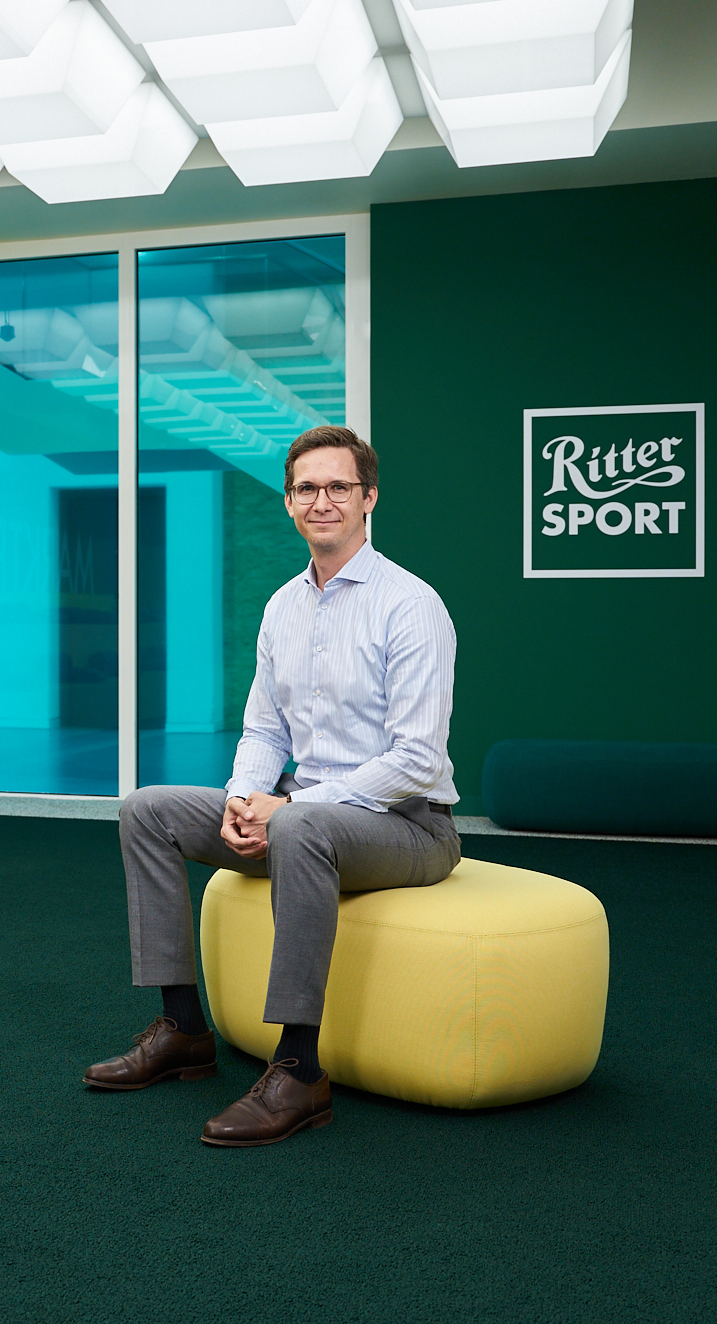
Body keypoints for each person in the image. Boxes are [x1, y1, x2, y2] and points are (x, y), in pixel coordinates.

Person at [85, 426, 460, 1147]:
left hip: (411, 826)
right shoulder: (283, 606)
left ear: (368, 497)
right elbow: (265, 732)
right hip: (303, 815)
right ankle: (184, 1030)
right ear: (290, 503)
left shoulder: (411, 605)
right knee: (147, 810)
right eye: (307, 488)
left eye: (339, 487)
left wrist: (289, 807)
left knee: (298, 826)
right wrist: (240, 798)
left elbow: (416, 759)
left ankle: (299, 1069)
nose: (323, 500)